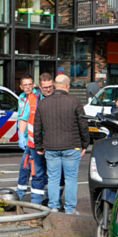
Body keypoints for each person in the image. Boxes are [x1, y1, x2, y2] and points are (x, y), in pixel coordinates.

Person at [34, 74, 90, 214]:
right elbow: (83, 124)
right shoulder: (75, 101)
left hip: (51, 146)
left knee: (53, 178)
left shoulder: (43, 103)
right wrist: (85, 144)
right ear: (67, 86)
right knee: (71, 179)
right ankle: (70, 209)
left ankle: (53, 207)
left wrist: (39, 146)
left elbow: (37, 127)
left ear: (54, 85)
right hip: (72, 145)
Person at [15, 76, 46, 204]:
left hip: (34, 140)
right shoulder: (22, 97)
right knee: (26, 167)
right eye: (25, 85)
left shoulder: (37, 97)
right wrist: (20, 135)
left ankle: (32, 198)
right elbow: (21, 117)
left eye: (30, 84)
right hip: (28, 138)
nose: (28, 87)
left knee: (34, 168)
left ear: (34, 85)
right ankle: (21, 194)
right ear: (21, 87)